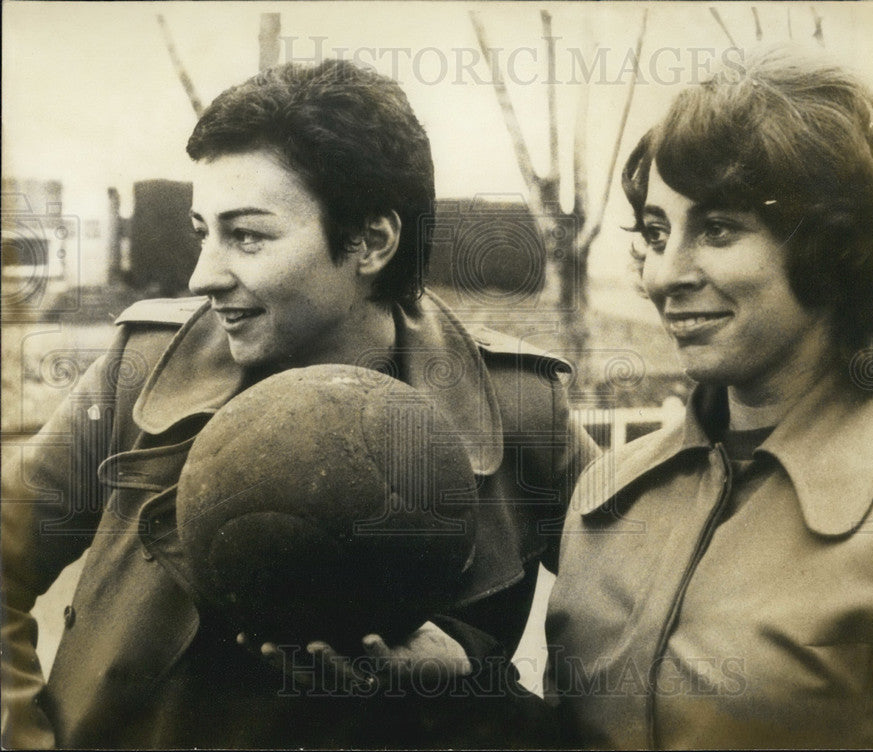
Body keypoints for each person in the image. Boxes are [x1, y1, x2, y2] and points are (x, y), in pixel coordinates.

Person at [1, 59, 597, 749]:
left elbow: (640, 642)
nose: (203, 275)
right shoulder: (140, 371)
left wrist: (468, 685)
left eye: (248, 235)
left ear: (372, 241)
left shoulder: (521, 412)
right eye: (203, 231)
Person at [545, 46, 873, 749]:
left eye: (718, 229)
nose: (665, 274)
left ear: (833, 243)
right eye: (656, 234)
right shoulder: (607, 494)